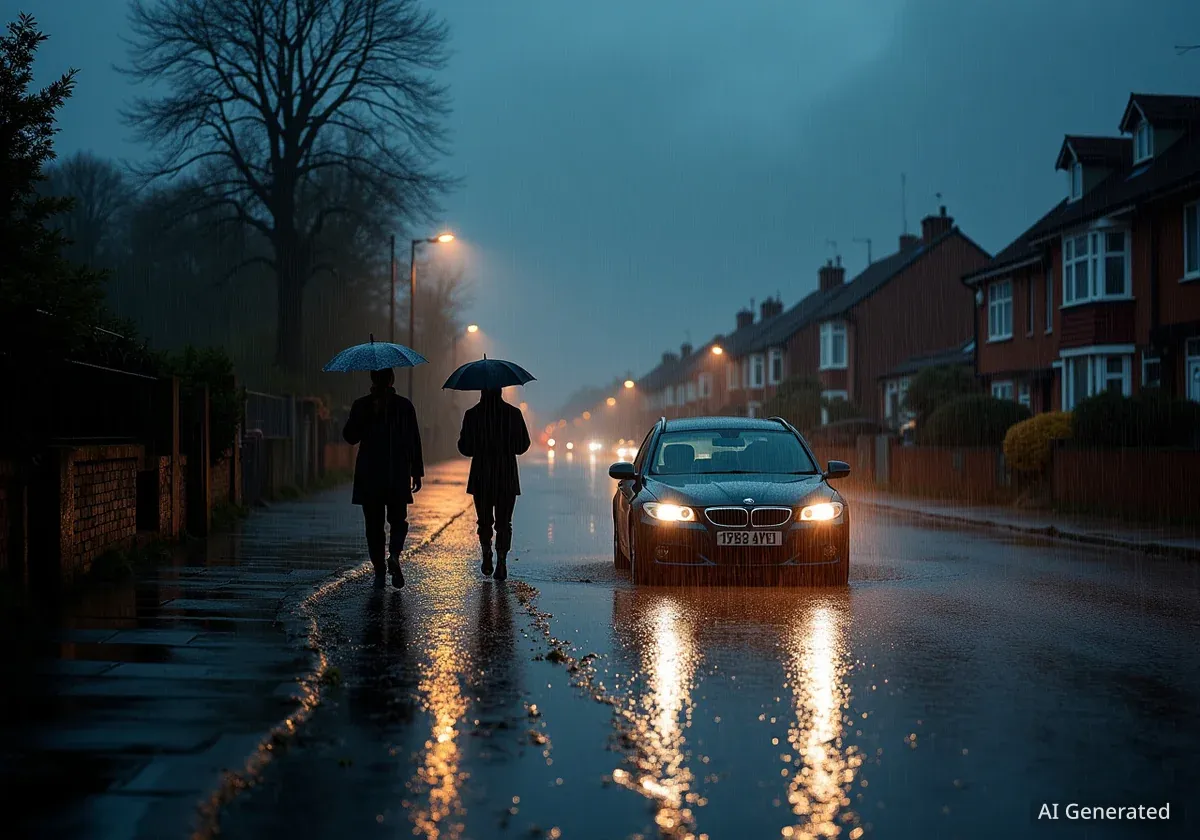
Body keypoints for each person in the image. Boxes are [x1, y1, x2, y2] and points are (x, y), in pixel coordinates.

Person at [342, 368, 424, 588]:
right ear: (391, 379)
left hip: (370, 474)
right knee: (398, 521)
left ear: (372, 378)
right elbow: (414, 440)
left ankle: (379, 571)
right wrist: (416, 471)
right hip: (397, 472)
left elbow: (349, 436)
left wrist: (366, 416)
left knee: (373, 525)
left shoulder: (362, 405)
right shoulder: (404, 406)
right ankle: (394, 555)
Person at [457, 388, 531, 580]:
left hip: (481, 477)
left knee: (484, 521)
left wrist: (480, 443)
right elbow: (523, 445)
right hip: (506, 476)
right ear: (500, 391)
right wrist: (506, 444)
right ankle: (502, 561)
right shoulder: (513, 414)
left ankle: (486, 551)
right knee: (504, 522)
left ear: (482, 391)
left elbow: (464, 448)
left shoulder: (472, 414)